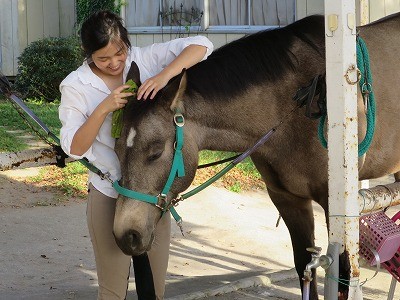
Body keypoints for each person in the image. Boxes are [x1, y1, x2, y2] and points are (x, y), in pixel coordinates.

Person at [58, 10, 213, 300]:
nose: (115, 63)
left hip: (149, 192)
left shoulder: (142, 59)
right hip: (108, 190)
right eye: (103, 59)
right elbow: (74, 148)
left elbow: (203, 45)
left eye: (119, 53)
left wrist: (165, 74)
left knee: (155, 289)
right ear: (88, 54)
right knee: (113, 290)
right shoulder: (76, 86)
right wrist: (104, 107)